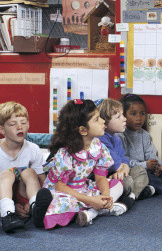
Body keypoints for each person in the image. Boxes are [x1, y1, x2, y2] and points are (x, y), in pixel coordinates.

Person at [40, 99, 127, 229]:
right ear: (82, 130)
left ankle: (92, 211)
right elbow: (60, 187)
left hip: (84, 188)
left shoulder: (98, 146)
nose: (103, 121)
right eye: (97, 119)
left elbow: (101, 177)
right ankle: (93, 210)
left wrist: (105, 196)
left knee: (117, 184)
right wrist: (91, 200)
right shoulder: (65, 153)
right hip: (65, 191)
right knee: (67, 204)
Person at [117, 94, 162, 197]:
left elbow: (151, 153)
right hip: (134, 171)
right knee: (143, 176)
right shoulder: (120, 135)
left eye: (142, 114)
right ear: (124, 116)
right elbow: (123, 161)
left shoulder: (144, 135)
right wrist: (144, 165)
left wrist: (158, 166)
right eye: (133, 114)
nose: (139, 118)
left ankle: (151, 188)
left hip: (148, 170)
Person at [0, 102, 48, 232]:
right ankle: (7, 214)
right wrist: (13, 206)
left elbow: (43, 180)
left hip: (25, 194)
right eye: (13, 124)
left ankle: (35, 207)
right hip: (4, 197)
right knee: (6, 174)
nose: (19, 127)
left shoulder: (33, 149)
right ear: (2, 130)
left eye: (23, 122)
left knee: (29, 172)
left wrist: (29, 202)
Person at [97, 98, 150, 208]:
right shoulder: (101, 138)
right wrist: (121, 168)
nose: (124, 119)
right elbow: (115, 163)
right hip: (104, 179)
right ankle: (133, 194)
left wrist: (124, 168)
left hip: (120, 174)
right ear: (105, 122)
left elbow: (124, 160)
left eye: (123, 115)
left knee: (140, 171)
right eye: (118, 117)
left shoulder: (116, 139)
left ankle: (131, 196)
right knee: (128, 182)